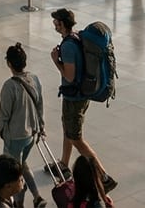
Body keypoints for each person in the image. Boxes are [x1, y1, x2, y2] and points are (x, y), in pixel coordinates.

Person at [0, 43, 46, 208]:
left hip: (15, 136)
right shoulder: (34, 78)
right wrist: (41, 127)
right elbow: (40, 104)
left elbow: (3, 116)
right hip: (31, 134)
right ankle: (37, 196)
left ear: (9, 63)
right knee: (22, 164)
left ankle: (19, 204)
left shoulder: (9, 86)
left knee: (14, 174)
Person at [48, 9, 101, 177]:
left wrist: (56, 61)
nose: (54, 26)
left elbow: (69, 76)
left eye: (56, 23)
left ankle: (102, 174)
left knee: (76, 138)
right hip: (80, 94)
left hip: (74, 97)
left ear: (62, 24)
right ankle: (64, 163)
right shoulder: (76, 37)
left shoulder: (68, 46)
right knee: (68, 130)